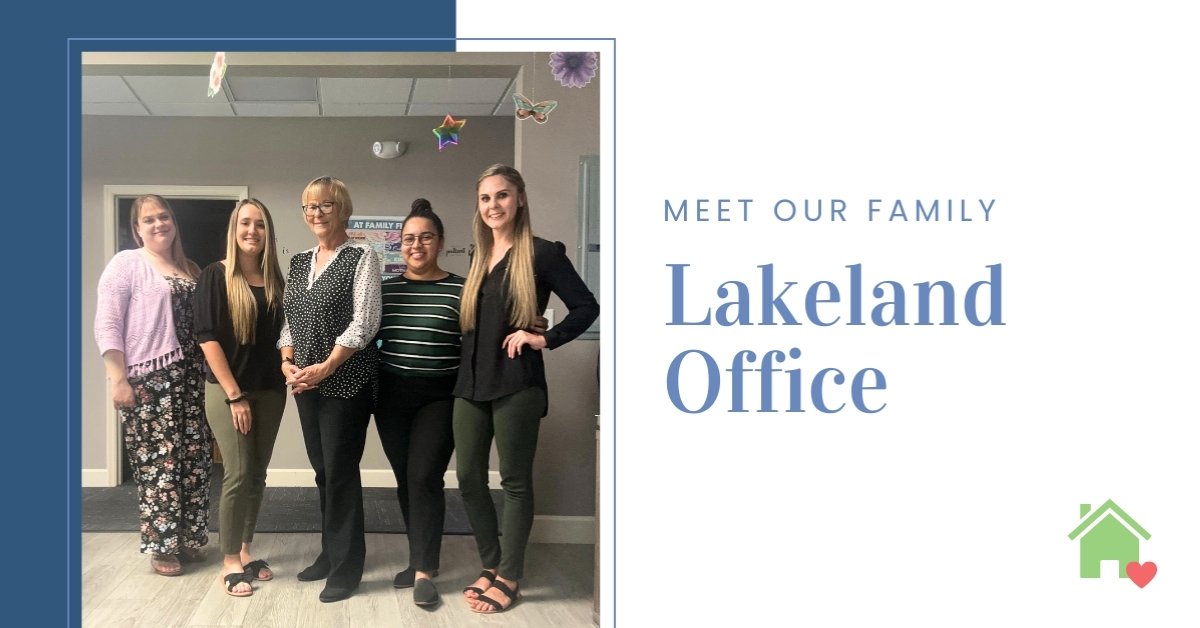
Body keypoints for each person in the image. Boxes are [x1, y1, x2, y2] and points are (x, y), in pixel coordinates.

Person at [454, 164, 600, 614]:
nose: (493, 205)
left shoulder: (542, 253)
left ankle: (510, 576)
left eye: (502, 195)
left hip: (518, 383)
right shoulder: (480, 257)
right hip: (471, 383)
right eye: (485, 198)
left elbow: (586, 306)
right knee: (467, 478)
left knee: (514, 481)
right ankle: (492, 562)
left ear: (519, 199)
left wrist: (543, 336)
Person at [94, 194, 211, 578]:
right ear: (137, 228)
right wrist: (118, 380)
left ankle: (188, 537)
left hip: (192, 380)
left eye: (164, 217)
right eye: (149, 220)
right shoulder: (127, 263)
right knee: (159, 464)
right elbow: (107, 324)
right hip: (150, 378)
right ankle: (162, 545)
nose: (159, 224)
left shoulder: (188, 268)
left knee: (193, 460)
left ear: (173, 222)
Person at [278, 176, 382, 603]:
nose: (315, 214)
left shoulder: (362, 255)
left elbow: (366, 320)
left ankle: (346, 568)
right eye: (308, 207)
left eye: (324, 205)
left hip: (345, 381)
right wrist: (287, 362)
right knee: (323, 472)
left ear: (342, 208)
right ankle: (330, 551)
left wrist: (325, 366)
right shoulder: (300, 261)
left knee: (340, 472)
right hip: (305, 384)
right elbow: (289, 321)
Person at [193, 199, 287, 598]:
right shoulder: (216, 275)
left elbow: (285, 337)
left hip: (271, 392)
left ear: (269, 233)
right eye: (245, 223)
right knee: (238, 473)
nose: (253, 231)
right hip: (229, 392)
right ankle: (229, 559)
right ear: (234, 230)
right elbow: (206, 337)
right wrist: (235, 396)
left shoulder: (276, 281)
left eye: (260, 224)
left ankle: (246, 550)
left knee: (258, 474)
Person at [374, 199, 464, 607]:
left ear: (440, 242)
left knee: (425, 476)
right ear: (400, 244)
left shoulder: (462, 289)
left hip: (440, 397)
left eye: (425, 237)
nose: (416, 245)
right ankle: (418, 557)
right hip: (392, 396)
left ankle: (426, 570)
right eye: (409, 238)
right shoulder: (385, 289)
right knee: (405, 478)